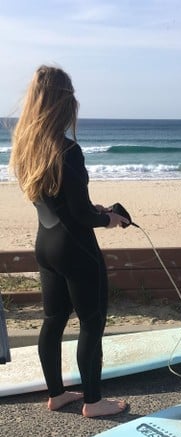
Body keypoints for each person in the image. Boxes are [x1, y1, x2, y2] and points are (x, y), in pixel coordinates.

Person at [10, 65, 130, 417]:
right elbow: (80, 216)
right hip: (76, 249)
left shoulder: (26, 148)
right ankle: (94, 401)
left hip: (45, 244)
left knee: (53, 320)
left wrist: (90, 209)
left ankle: (57, 394)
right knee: (92, 322)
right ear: (65, 103)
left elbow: (60, 202)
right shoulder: (67, 149)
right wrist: (109, 218)